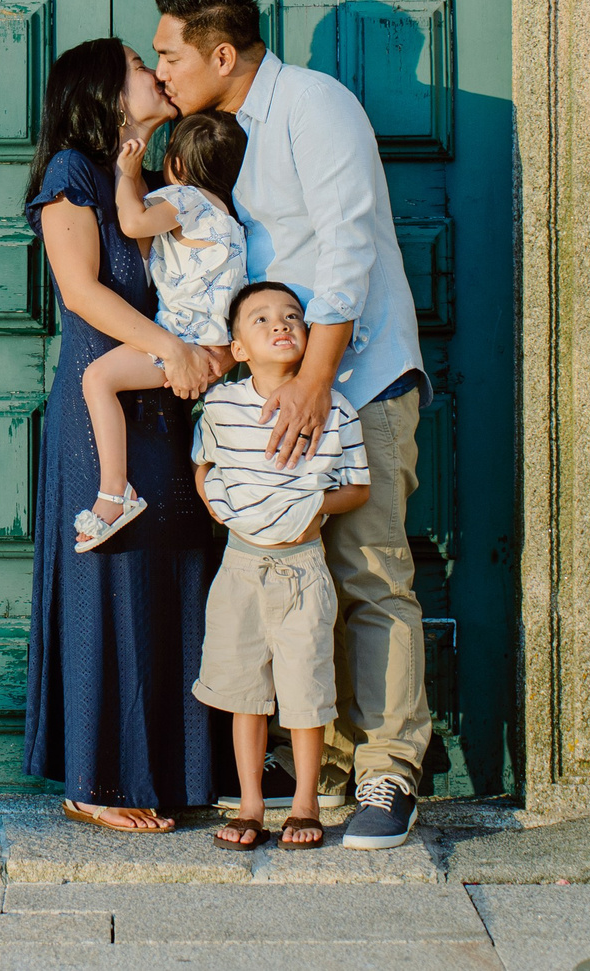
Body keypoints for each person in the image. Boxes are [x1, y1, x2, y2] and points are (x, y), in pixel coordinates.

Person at [152, 0, 431, 853]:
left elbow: (349, 241)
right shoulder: (223, 133)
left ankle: (391, 766)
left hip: (359, 382)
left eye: (170, 54)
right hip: (274, 397)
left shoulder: (314, 105)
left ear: (222, 54)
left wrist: (316, 378)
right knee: (295, 587)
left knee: (372, 576)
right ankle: (332, 766)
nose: (160, 71)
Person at [23, 36, 229, 833]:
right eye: (143, 68)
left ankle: (177, 767)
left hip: (162, 400)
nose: (158, 73)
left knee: (172, 573)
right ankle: (95, 778)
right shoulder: (71, 174)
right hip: (101, 404)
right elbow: (80, 290)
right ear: (108, 93)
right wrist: (171, 348)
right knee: (110, 581)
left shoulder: (151, 180)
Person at [190, 281, 371, 850]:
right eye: (262, 319)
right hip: (240, 567)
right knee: (245, 690)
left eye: (293, 316)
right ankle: (249, 804)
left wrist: (317, 506)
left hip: (302, 568)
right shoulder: (221, 404)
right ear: (238, 347)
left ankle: (304, 803)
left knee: (305, 689)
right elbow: (204, 465)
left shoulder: (334, 408)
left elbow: (358, 488)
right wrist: (217, 507)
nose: (281, 325)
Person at [71, 109, 251, 553]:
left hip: (185, 341)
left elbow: (133, 224)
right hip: (214, 347)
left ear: (178, 166)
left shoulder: (187, 199)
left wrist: (125, 172)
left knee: (97, 379)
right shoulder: (228, 218)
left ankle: (115, 492)